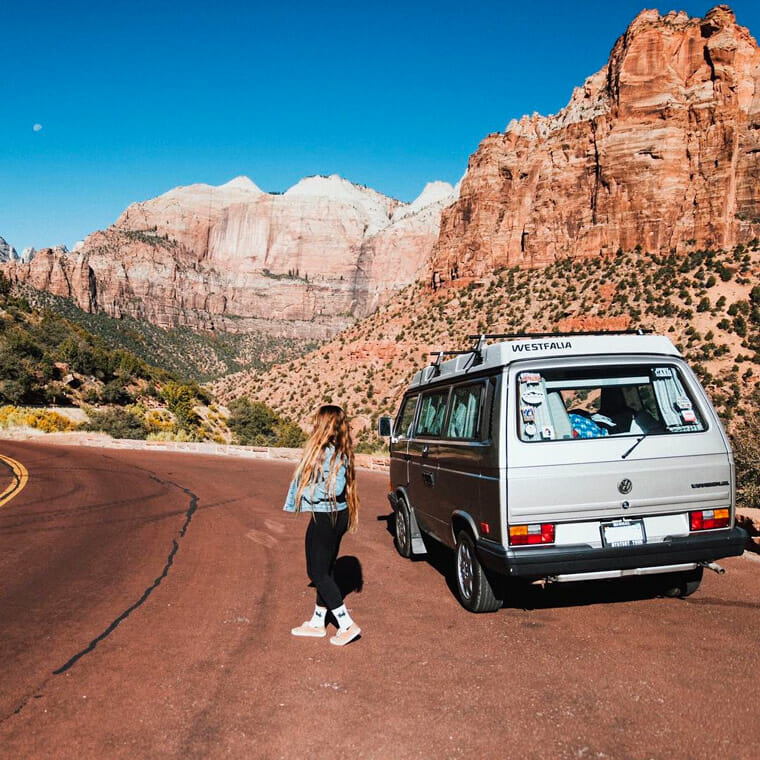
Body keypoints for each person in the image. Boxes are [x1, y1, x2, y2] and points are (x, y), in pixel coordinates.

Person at [283, 404, 361, 646]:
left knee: (317, 572)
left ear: (325, 425)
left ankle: (346, 624)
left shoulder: (331, 453)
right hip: (334, 515)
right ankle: (318, 622)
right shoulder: (337, 450)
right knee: (323, 569)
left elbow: (335, 488)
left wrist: (306, 491)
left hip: (327, 517)